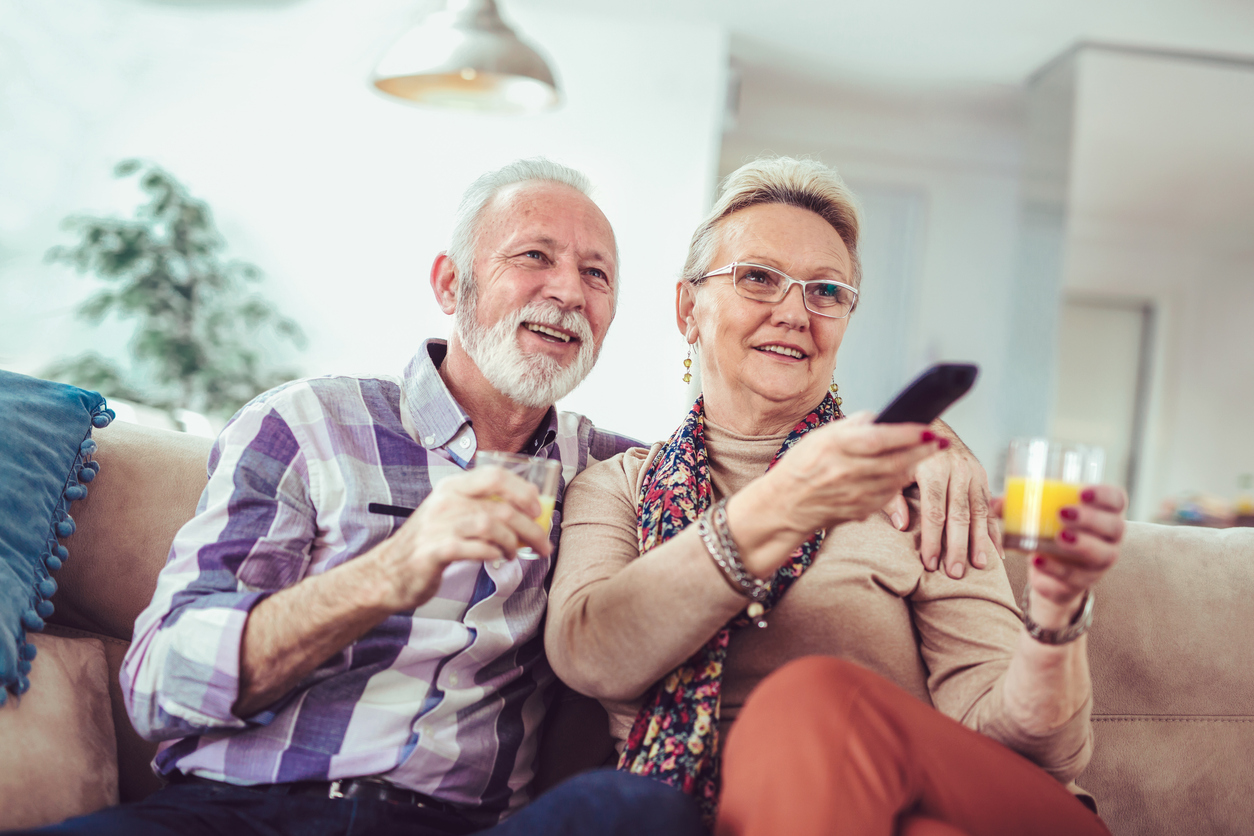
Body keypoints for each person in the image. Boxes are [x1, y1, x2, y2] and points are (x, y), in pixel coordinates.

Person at [12, 159, 701, 836]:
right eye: (535, 256)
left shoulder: (614, 475)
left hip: (454, 824)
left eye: (596, 274)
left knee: (640, 810)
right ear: (451, 284)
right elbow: (161, 688)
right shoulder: (307, 424)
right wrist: (389, 572)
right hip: (239, 811)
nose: (570, 292)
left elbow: (730, 472)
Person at [545, 156, 1126, 836]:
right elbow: (591, 653)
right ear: (688, 308)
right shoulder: (616, 487)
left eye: (825, 291)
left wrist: (1056, 621)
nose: (795, 312)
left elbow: (1035, 753)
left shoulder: (914, 479)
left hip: (953, 797)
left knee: (811, 701)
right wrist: (789, 501)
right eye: (758, 278)